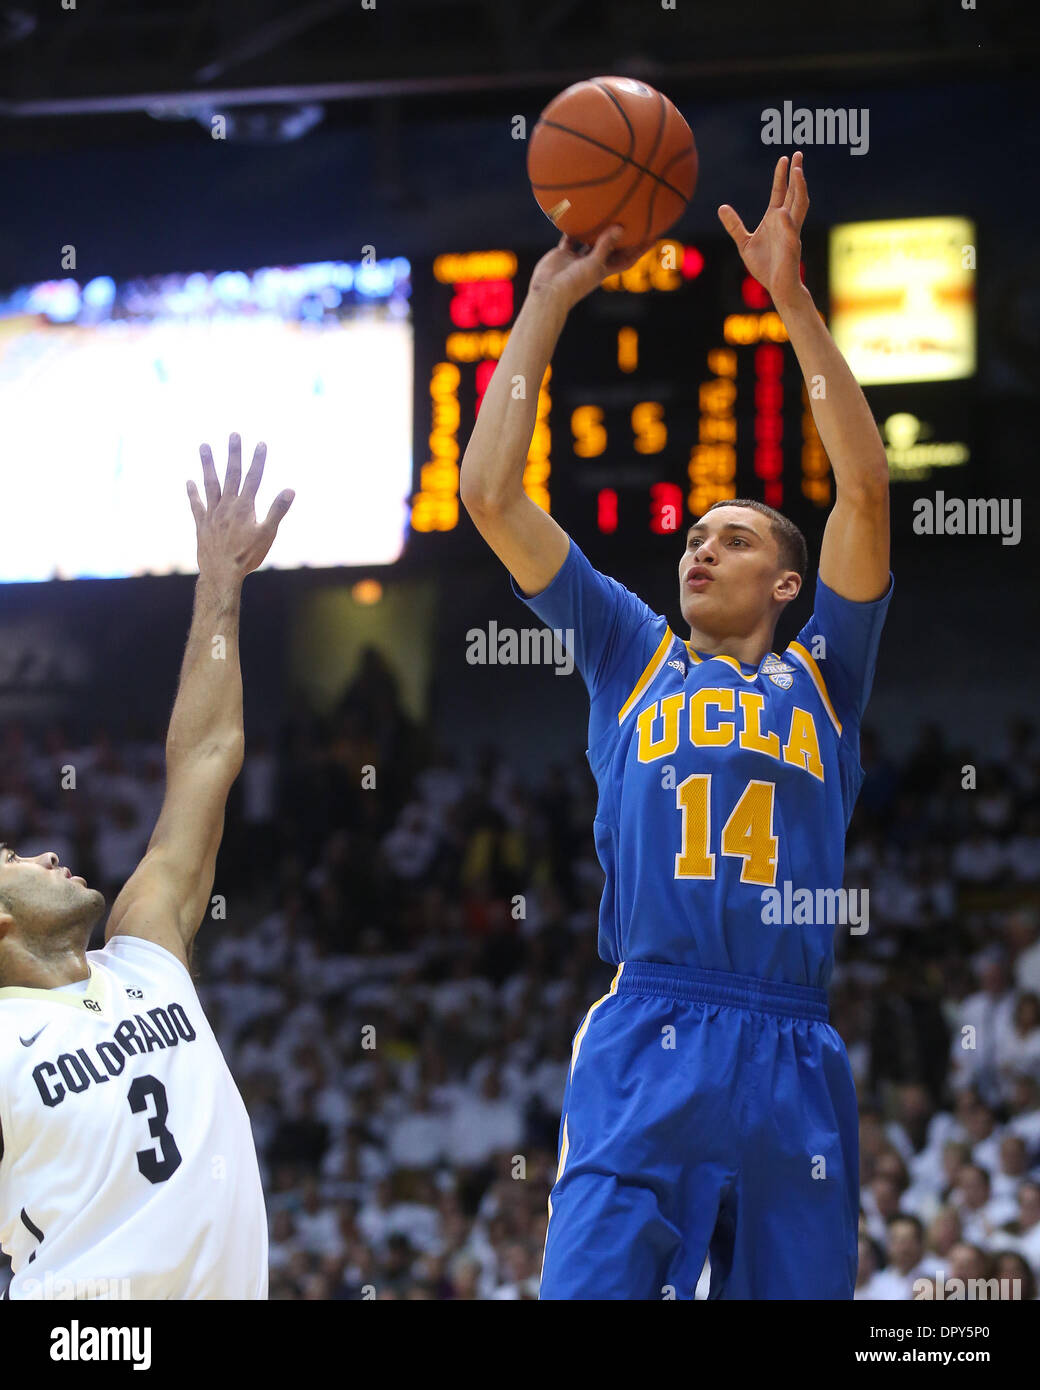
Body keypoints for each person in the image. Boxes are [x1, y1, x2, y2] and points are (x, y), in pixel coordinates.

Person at [460, 152, 892, 1299]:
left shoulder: (826, 676)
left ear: (788, 586)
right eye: (694, 533)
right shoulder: (629, 650)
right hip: (648, 1027)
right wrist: (544, 302)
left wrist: (789, 300)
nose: (701, 546)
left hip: (791, 1045)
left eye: (736, 536)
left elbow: (861, 487)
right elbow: (491, 497)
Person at [0, 435, 293, 1299]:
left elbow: (205, 754)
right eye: (13, 858)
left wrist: (220, 587)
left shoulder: (145, 948)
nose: (49, 853)